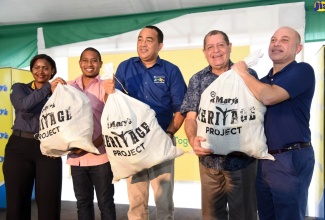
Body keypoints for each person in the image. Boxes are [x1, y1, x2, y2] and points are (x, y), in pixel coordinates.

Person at [233, 26, 315, 220]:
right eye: (273, 39)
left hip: (290, 158)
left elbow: (268, 97)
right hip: (264, 160)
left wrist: (243, 73)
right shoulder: (263, 80)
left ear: (298, 48)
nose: (276, 43)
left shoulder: (302, 71)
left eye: (284, 40)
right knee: (266, 215)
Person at [180, 30, 258, 220]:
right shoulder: (198, 80)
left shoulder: (247, 74)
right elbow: (191, 117)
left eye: (220, 45)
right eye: (210, 47)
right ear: (204, 52)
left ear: (230, 47)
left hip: (242, 162)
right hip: (209, 164)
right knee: (211, 216)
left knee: (244, 215)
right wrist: (192, 140)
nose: (216, 51)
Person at [114, 25, 187, 220]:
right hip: (133, 143)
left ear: (160, 45)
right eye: (140, 39)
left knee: (163, 202)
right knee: (136, 201)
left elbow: (181, 109)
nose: (143, 44)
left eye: (149, 40)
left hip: (161, 141)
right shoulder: (125, 67)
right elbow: (115, 105)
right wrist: (107, 92)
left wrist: (169, 134)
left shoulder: (171, 70)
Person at [3, 54, 64, 220]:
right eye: (36, 67)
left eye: (46, 68)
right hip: (19, 148)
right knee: (17, 204)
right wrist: (47, 89)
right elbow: (23, 105)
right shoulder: (20, 88)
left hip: (48, 149)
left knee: (49, 203)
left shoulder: (61, 95)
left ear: (52, 71)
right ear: (31, 70)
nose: (41, 71)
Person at [66, 47, 116, 220]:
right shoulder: (69, 86)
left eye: (94, 60)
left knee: (105, 203)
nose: (89, 64)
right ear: (80, 63)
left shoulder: (107, 86)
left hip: (101, 156)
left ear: (100, 64)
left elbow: (112, 122)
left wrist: (91, 146)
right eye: (85, 60)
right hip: (76, 158)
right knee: (83, 203)